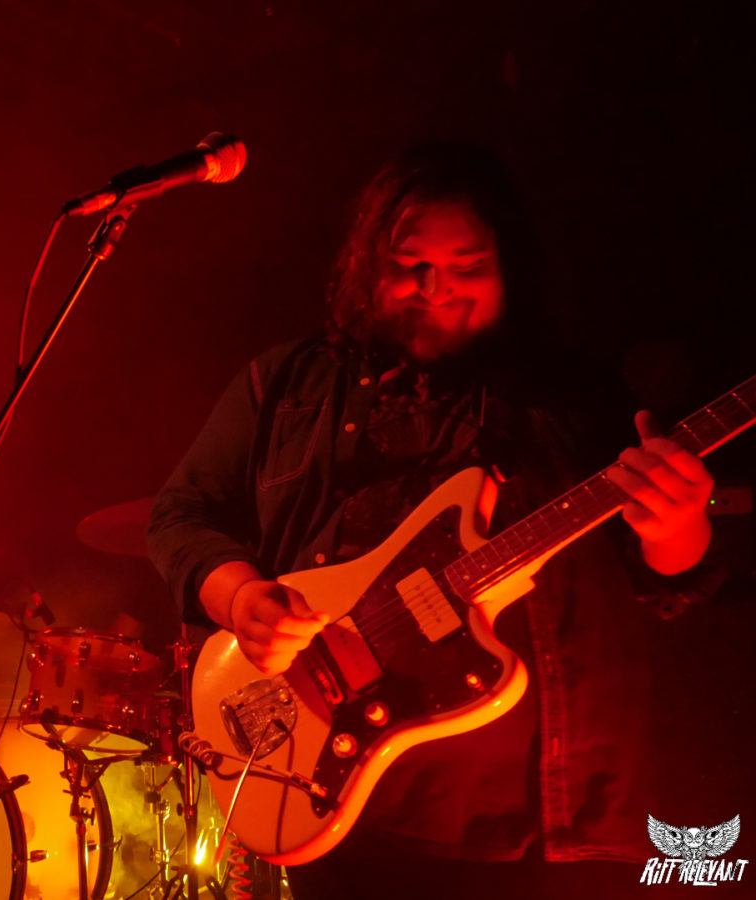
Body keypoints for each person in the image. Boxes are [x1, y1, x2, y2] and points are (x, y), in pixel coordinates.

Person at [147, 144, 718, 898]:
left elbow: (667, 578)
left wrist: (676, 523)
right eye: (408, 264)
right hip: (341, 796)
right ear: (365, 266)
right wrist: (240, 597)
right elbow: (181, 514)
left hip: (543, 819)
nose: (436, 288)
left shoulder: (574, 395)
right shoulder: (286, 382)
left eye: (468, 265)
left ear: (509, 268)